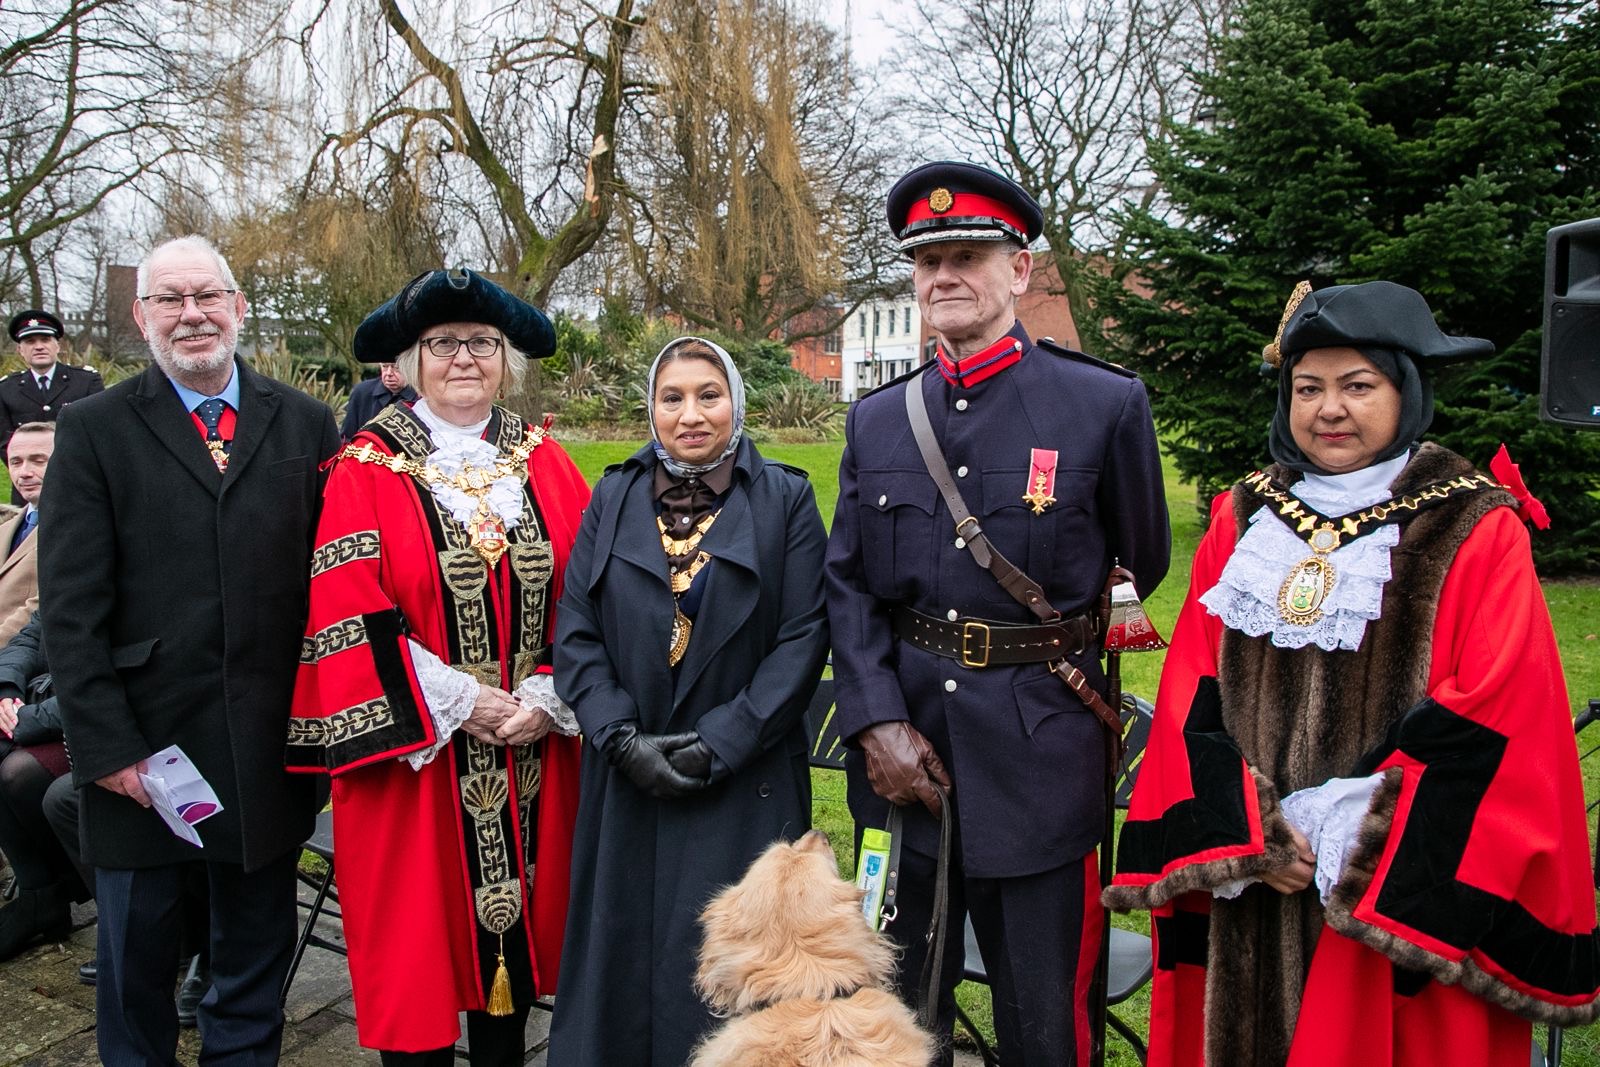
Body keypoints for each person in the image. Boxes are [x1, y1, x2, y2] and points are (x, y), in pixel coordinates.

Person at [1104, 281, 1600, 1066]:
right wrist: (1258, 830)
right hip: (1254, 895)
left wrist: (1349, 832)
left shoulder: (1473, 528)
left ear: (1407, 392)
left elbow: (1498, 712)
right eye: (1308, 388)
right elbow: (1190, 694)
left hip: (1384, 892)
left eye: (1358, 385)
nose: (1329, 408)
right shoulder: (1241, 522)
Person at [823, 161, 1171, 1066]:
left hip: (1040, 752)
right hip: (909, 762)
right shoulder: (878, 421)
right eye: (927, 258)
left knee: (1040, 1022)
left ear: (1019, 269)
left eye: (968, 254)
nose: (944, 275)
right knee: (899, 1014)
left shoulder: (1102, 404)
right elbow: (849, 584)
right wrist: (876, 722)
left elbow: (1143, 556)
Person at [39, 234, 339, 1064]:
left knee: (251, 973)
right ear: (141, 317)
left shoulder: (308, 422)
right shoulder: (94, 429)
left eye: (206, 295)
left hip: (265, 754)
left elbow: (335, 584)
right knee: (136, 978)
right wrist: (107, 750)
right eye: (169, 298)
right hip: (144, 758)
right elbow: (70, 610)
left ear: (238, 307)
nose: (191, 313)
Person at [287, 268, 588, 1065]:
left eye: (482, 343)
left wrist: (546, 692)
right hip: (416, 765)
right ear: (410, 360)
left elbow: (594, 595)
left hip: (532, 746)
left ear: (506, 359)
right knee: (415, 963)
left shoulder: (545, 461)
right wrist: (465, 701)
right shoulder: (365, 466)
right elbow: (346, 609)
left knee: (512, 972)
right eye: (442, 343)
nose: (464, 358)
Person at [547, 336, 830, 1065]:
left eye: (709, 393)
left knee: (733, 982)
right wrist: (617, 736)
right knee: (622, 977)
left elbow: (804, 638)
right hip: (628, 780)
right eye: (672, 397)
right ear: (652, 408)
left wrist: (722, 741)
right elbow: (575, 630)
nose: (691, 413)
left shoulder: (788, 499)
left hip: (743, 784)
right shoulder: (610, 494)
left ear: (736, 401)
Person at [0, 612, 88, 958]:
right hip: (51, 705)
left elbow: (120, 675)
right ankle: (40, 894)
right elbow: (30, 636)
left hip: (103, 722)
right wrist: (5, 691)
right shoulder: (65, 565)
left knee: (21, 774)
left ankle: (56, 892)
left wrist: (29, 718)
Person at [2, 311, 101, 502]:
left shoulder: (86, 381)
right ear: (20, 350)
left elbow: (98, 430)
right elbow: (4, 441)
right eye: (30, 342)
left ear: (58, 345)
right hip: (28, 490)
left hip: (77, 482)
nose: (39, 346)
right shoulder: (6, 389)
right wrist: (31, 467)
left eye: (45, 339)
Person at [0, 422, 53, 644]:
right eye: (16, 462)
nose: (24, 473)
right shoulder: (4, 529)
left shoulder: (85, 527)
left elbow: (43, 606)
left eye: (38, 461)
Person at [339, 360, 417, 439]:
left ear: (410, 368)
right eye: (384, 366)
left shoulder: (421, 397)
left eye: (396, 367)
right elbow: (346, 437)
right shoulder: (362, 392)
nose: (389, 373)